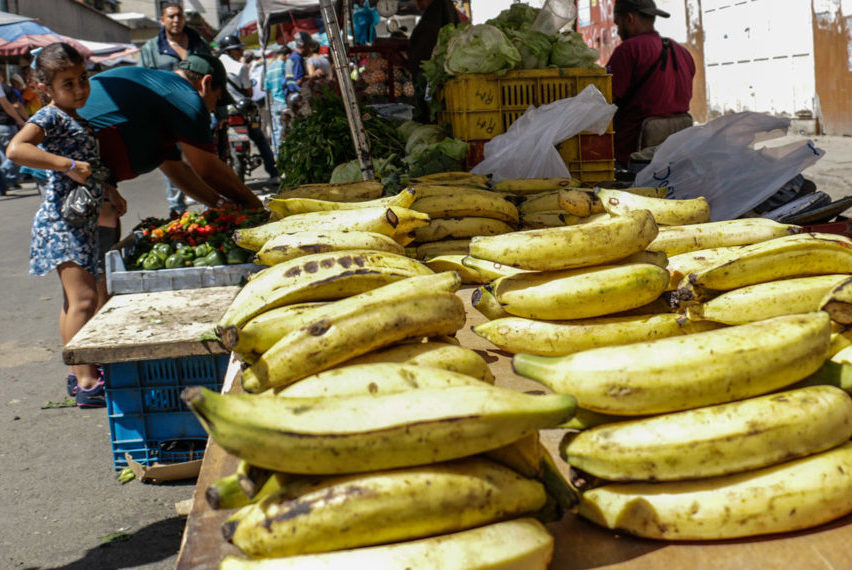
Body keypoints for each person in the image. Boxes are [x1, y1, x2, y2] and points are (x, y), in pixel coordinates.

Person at [7, 43, 127, 407]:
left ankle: (78, 373)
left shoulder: (73, 116)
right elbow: (16, 150)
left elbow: (86, 164)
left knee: (74, 301)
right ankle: (88, 382)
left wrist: (108, 191)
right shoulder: (50, 117)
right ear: (45, 87)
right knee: (85, 300)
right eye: (68, 84)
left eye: (82, 80)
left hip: (80, 219)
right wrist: (68, 166)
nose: (79, 90)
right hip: (63, 222)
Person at [78, 54, 262, 211]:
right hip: (76, 173)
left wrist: (219, 203)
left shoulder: (163, 90)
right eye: (217, 98)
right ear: (206, 83)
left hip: (88, 175)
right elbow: (209, 170)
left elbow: (176, 168)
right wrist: (257, 208)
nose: (214, 109)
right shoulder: (188, 98)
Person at [139, 1, 213, 216]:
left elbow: (213, 77)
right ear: (162, 20)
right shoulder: (151, 49)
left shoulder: (199, 44)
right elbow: (144, 83)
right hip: (166, 118)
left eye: (179, 16)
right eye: (170, 16)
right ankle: (178, 212)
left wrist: (220, 112)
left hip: (198, 114)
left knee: (204, 163)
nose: (176, 20)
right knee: (172, 162)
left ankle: (212, 209)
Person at [607, 0, 696, 166]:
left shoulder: (628, 50)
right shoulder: (683, 52)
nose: (618, 31)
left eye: (618, 24)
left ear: (629, 18)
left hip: (634, 158)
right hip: (676, 154)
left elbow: (605, 99)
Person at [218, 35, 278, 182]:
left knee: (217, 142)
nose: (241, 51)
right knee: (260, 140)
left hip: (224, 112)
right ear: (230, 51)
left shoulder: (215, 66)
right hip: (242, 111)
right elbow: (249, 92)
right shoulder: (240, 68)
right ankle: (273, 173)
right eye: (238, 49)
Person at [407, 0, 460, 121]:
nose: (417, 3)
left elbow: (422, 53)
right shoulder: (442, 13)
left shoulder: (432, 21)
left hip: (433, 85)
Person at [0, 70, 27, 195]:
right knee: (14, 154)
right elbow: (12, 105)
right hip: (6, 125)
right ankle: (5, 178)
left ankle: (7, 183)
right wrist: (22, 120)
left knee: (4, 155)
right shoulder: (5, 88)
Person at [264, 45, 290, 152]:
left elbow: (266, 88)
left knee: (277, 130)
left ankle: (278, 155)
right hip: (285, 101)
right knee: (288, 129)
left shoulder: (269, 68)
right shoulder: (284, 65)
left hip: (275, 103)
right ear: (286, 55)